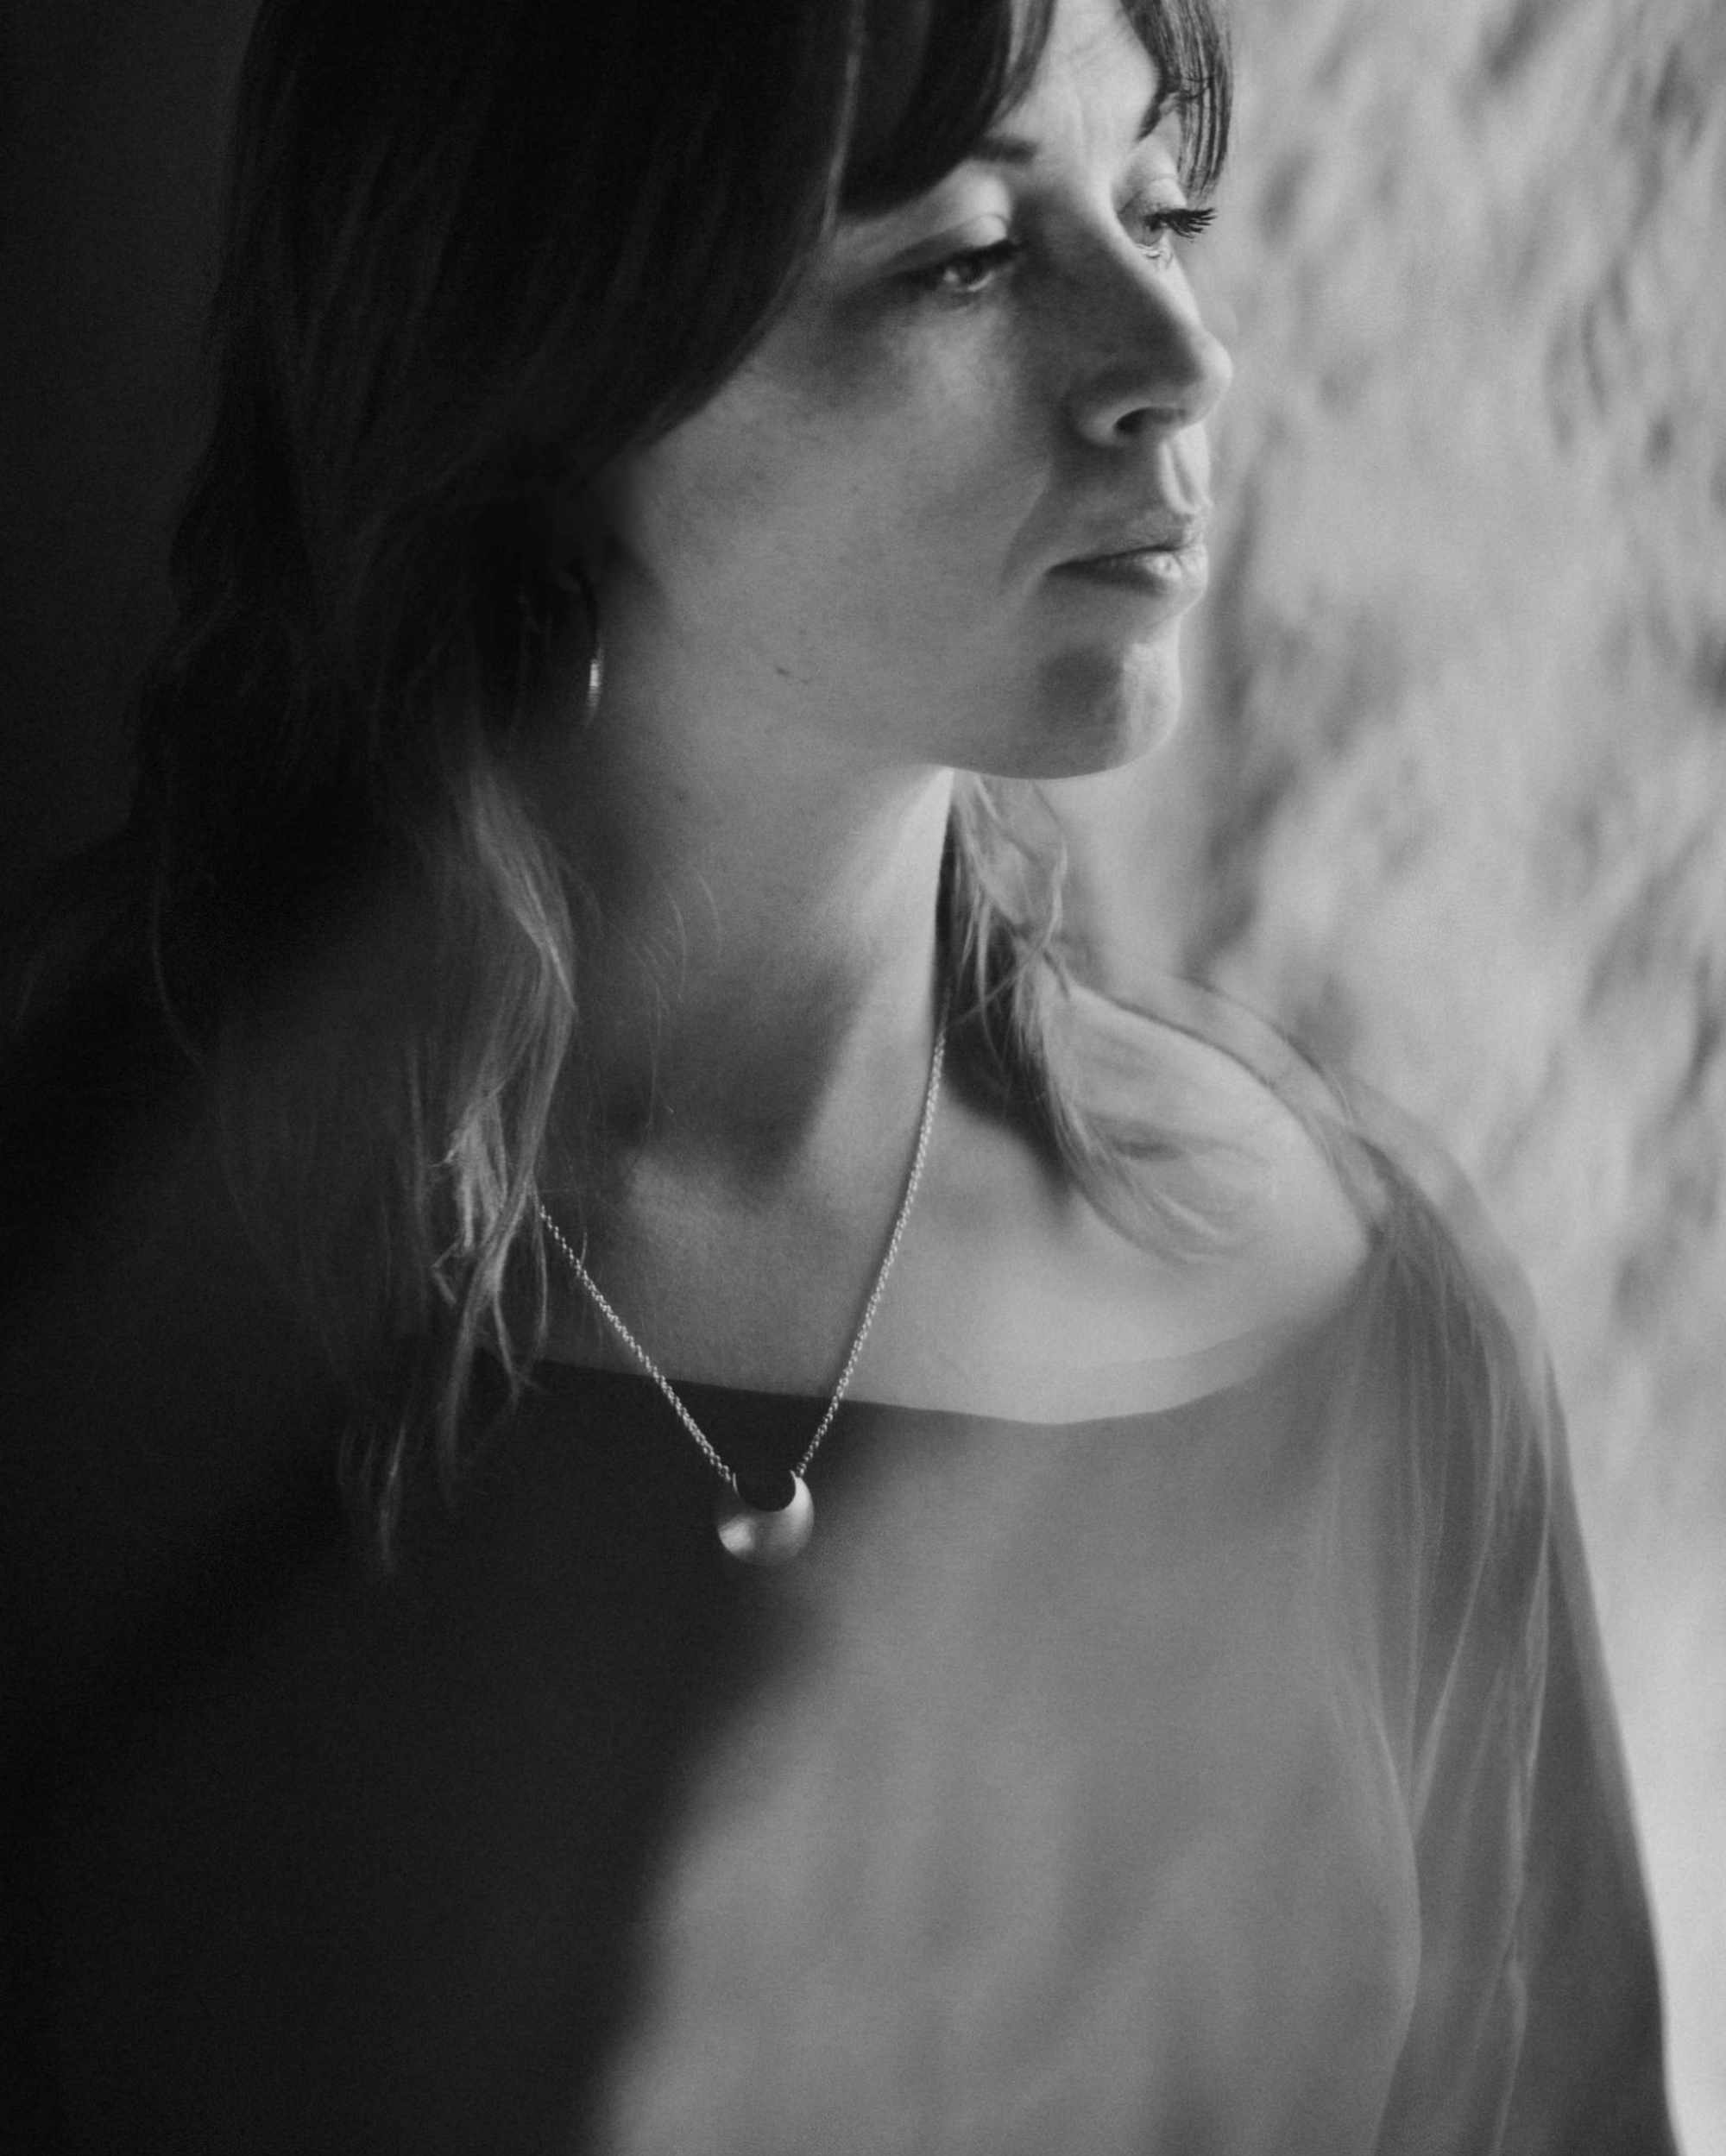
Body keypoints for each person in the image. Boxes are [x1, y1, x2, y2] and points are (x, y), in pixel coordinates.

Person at [0, 0, 1679, 2147]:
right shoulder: (91, 1282)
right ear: (551, 366)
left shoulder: (1364, 1323)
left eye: (1161, 210)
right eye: (965, 258)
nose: (1178, 353)